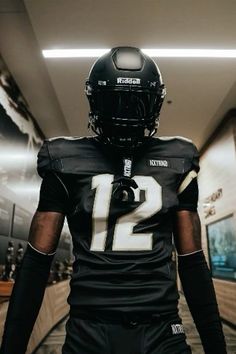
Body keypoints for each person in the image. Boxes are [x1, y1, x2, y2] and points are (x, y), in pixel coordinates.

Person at [0, 47, 227, 354]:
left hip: (150, 326)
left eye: (136, 103)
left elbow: (192, 263)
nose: (125, 112)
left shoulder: (66, 158)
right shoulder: (178, 158)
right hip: (97, 327)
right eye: (117, 101)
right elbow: (37, 262)